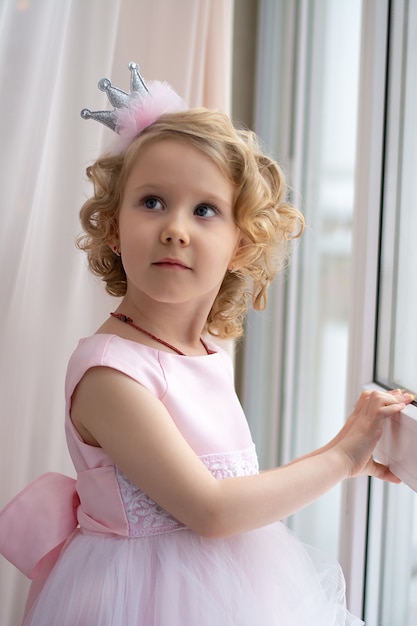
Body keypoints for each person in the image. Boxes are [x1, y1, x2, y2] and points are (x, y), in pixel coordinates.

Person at [0, 62, 412, 626]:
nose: (175, 227)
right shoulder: (110, 374)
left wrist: (349, 450)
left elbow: (234, 486)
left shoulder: (203, 352)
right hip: (140, 602)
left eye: (205, 210)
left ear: (240, 244)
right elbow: (212, 510)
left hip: (232, 588)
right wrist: (340, 457)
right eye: (151, 202)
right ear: (114, 227)